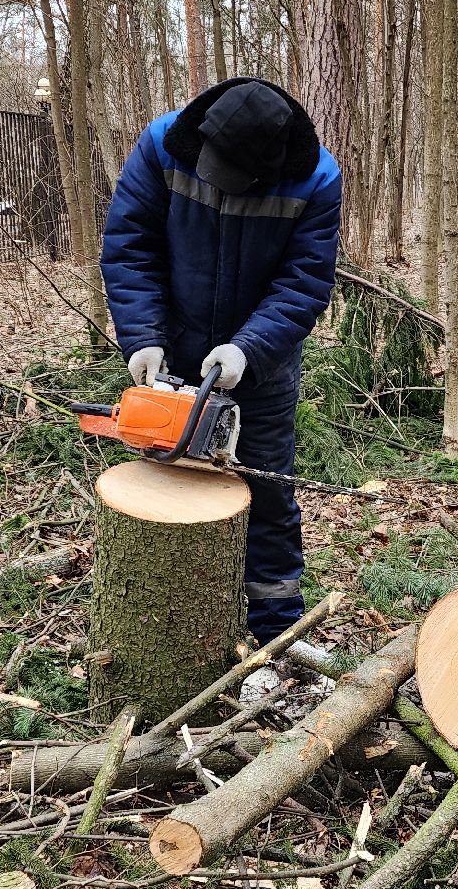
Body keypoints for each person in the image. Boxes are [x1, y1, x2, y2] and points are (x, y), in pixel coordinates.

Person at [99, 77, 341, 652]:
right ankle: (165, 630)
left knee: (265, 489)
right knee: (167, 481)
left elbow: (303, 282)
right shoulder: (162, 145)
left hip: (260, 362)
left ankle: (278, 632)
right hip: (174, 345)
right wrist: (144, 337)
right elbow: (130, 246)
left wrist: (249, 349)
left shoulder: (316, 179)